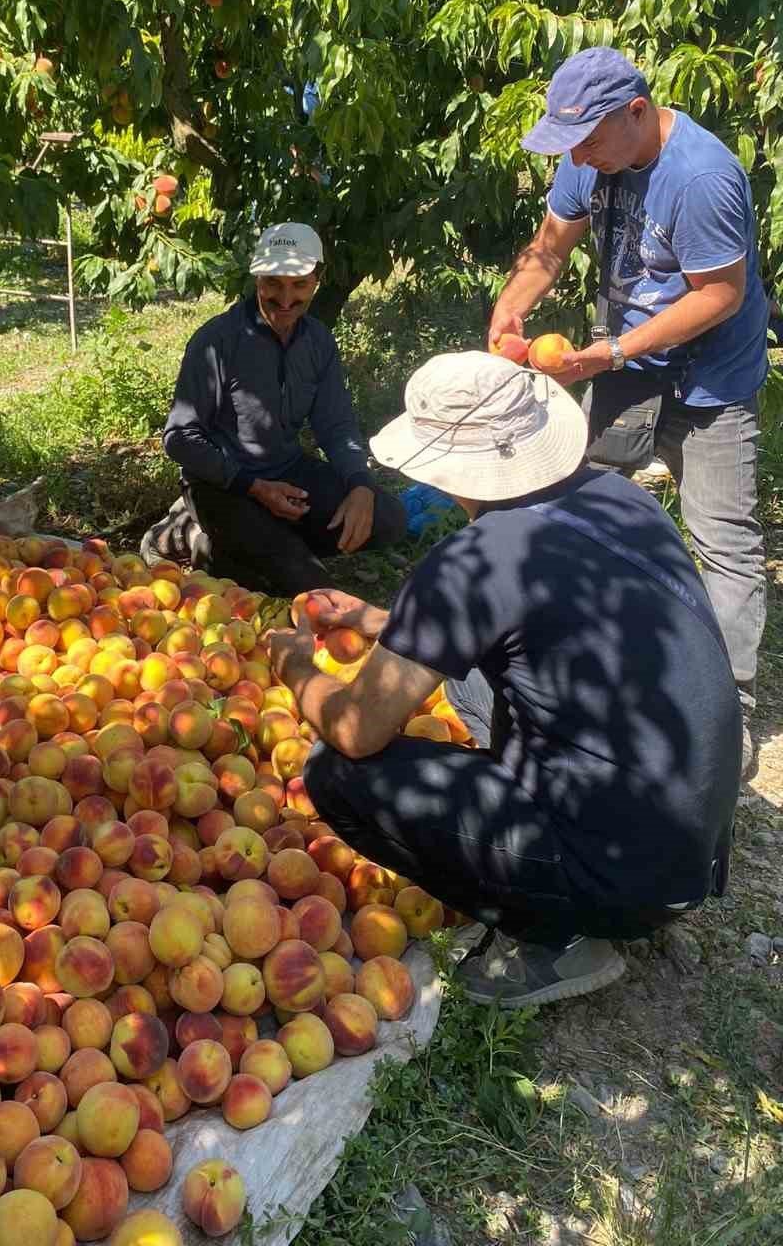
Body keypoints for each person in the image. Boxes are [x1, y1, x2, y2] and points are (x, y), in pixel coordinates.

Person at [266, 352, 740, 1009]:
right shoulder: (625, 500)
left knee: (335, 774)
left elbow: (354, 730)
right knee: (478, 693)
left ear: (447, 467)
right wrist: (383, 620)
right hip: (692, 848)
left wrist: (293, 664)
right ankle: (590, 885)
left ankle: (558, 940)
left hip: (621, 876)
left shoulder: (473, 561)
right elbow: (543, 626)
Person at [489, 46, 768, 760]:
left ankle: (724, 716)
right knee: (585, 510)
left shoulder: (701, 177)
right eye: (569, 143)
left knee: (723, 546)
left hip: (710, 381)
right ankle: (584, 666)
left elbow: (721, 294)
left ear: (637, 113)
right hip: (627, 365)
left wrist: (606, 354)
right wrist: (511, 308)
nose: (578, 156)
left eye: (587, 140)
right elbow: (549, 249)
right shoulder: (589, 154)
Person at [147, 222, 408, 595]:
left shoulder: (317, 341)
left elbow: (335, 425)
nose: (285, 299)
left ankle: (254, 546)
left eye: (299, 285)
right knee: (305, 584)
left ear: (317, 281)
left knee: (387, 518)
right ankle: (196, 537)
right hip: (224, 485)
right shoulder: (217, 342)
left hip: (288, 473)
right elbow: (179, 437)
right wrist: (253, 487)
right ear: (257, 279)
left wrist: (360, 485)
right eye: (274, 283)